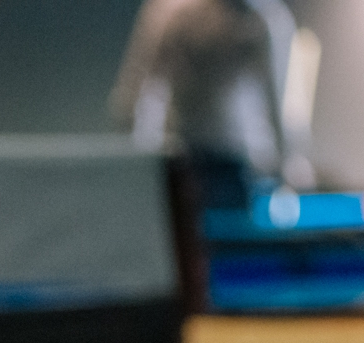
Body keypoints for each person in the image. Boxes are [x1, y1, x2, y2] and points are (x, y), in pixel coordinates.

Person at [112, 0, 304, 208]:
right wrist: (138, 160)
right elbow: (138, 87)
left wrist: (286, 164)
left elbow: (277, 98)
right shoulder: (172, 10)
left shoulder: (264, 17)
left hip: (233, 158)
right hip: (182, 156)